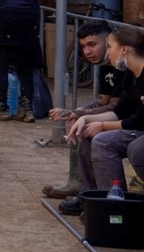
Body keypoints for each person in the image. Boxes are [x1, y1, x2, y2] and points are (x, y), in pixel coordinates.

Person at [59, 25, 144, 215]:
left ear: (124, 49)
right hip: (134, 126)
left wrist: (102, 125)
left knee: (104, 141)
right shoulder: (131, 73)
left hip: (138, 129)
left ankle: (116, 209)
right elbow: (119, 110)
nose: (108, 52)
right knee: (89, 132)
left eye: (110, 46)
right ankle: (92, 199)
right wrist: (84, 118)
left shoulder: (132, 70)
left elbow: (138, 120)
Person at [45, 21, 130, 199]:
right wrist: (79, 112)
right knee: (82, 128)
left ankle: (109, 201)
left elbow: (118, 108)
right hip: (122, 118)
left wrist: (76, 114)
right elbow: (102, 101)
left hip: (130, 121)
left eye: (92, 45)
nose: (87, 52)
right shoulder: (108, 64)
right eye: (83, 47)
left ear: (109, 42)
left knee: (97, 137)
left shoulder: (124, 65)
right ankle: (85, 194)